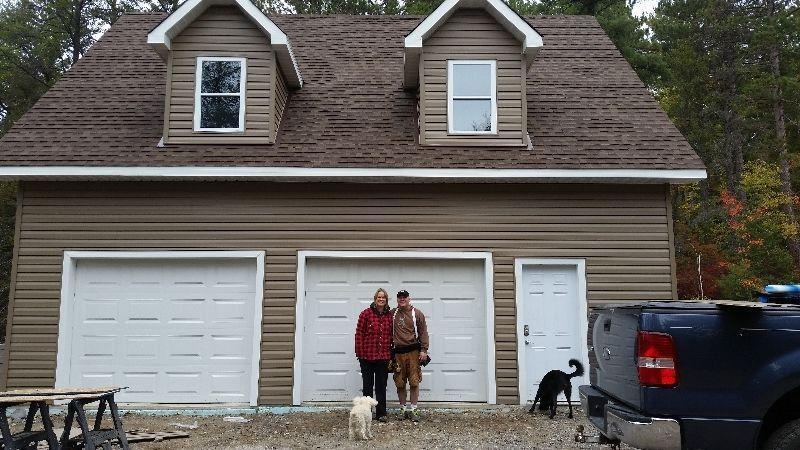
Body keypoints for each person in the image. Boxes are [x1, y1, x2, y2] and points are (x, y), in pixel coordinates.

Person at [354, 288, 393, 422]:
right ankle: (366, 413)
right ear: (375, 299)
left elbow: (392, 336)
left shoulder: (390, 316)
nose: (381, 299)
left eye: (384, 298)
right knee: (367, 386)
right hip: (367, 357)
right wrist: (360, 353)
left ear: (386, 300)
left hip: (383, 357)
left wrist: (391, 355)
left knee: (381, 386)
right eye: (379, 297)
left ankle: (381, 413)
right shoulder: (365, 314)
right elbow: (359, 334)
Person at [391, 289, 429, 422]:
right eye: (399, 297)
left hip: (413, 353)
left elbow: (423, 332)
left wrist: (424, 350)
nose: (402, 299)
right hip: (398, 353)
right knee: (400, 383)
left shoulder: (417, 313)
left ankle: (413, 409)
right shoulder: (392, 314)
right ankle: (402, 409)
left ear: (409, 298)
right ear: (397, 299)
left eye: (404, 297)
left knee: (414, 382)